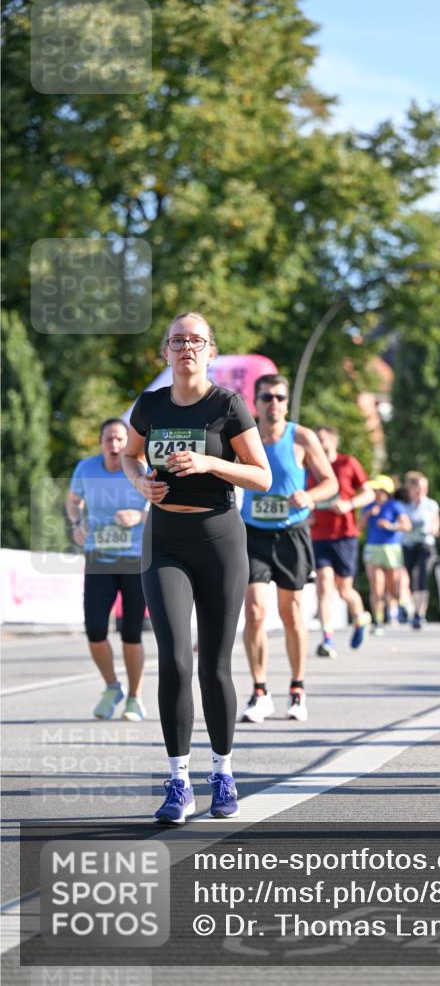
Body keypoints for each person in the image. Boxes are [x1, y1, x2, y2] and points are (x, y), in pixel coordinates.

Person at [123, 312, 271, 824]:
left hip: (219, 540)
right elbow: (131, 456)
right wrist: (140, 482)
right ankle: (178, 782)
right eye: (178, 340)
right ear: (165, 351)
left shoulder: (227, 405)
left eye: (196, 340)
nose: (186, 347)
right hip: (164, 541)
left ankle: (223, 773)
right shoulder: (150, 405)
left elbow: (262, 477)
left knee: (213, 665)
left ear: (211, 351)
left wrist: (210, 463)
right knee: (174, 662)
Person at [240, 375, 338, 723]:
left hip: (291, 534)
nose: (274, 403)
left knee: (292, 612)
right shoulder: (243, 436)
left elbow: (331, 483)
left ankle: (297, 688)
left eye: (280, 397)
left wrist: (309, 496)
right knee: (254, 611)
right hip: (253, 533)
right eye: (267, 397)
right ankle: (260, 691)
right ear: (255, 402)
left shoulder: (301, 437)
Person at [67, 419, 148, 722]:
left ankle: (135, 698)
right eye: (108, 440)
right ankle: (113, 686)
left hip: (135, 560)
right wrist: (77, 524)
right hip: (99, 559)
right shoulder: (86, 468)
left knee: (131, 634)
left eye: (119, 439)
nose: (114, 445)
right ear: (100, 443)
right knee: (95, 631)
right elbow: (73, 501)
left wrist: (139, 516)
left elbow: (163, 505)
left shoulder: (141, 467)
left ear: (127, 443)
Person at [308, 426, 375, 658]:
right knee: (324, 585)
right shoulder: (309, 467)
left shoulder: (347, 463)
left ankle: (361, 618)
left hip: (345, 535)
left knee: (344, 589)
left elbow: (369, 493)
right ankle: (327, 639)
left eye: (322, 439)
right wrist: (307, 514)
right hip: (319, 535)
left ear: (334, 441)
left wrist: (349, 504)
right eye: (316, 440)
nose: (319, 444)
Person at [360, 475, 412, 635]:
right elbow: (358, 527)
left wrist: (390, 526)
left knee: (393, 588)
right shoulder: (368, 506)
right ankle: (378, 621)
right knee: (376, 586)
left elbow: (407, 525)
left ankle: (404, 604)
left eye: (377, 490)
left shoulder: (395, 505)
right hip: (373, 548)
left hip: (392, 549)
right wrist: (368, 515)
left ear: (385, 491)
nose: (375, 492)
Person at [401, 472, 440, 629]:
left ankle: (420, 613)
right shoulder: (405, 506)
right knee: (409, 578)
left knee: (421, 575)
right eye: (417, 487)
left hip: (425, 544)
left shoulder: (431, 505)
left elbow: (435, 524)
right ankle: (410, 609)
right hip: (408, 545)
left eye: (423, 487)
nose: (419, 491)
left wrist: (433, 529)